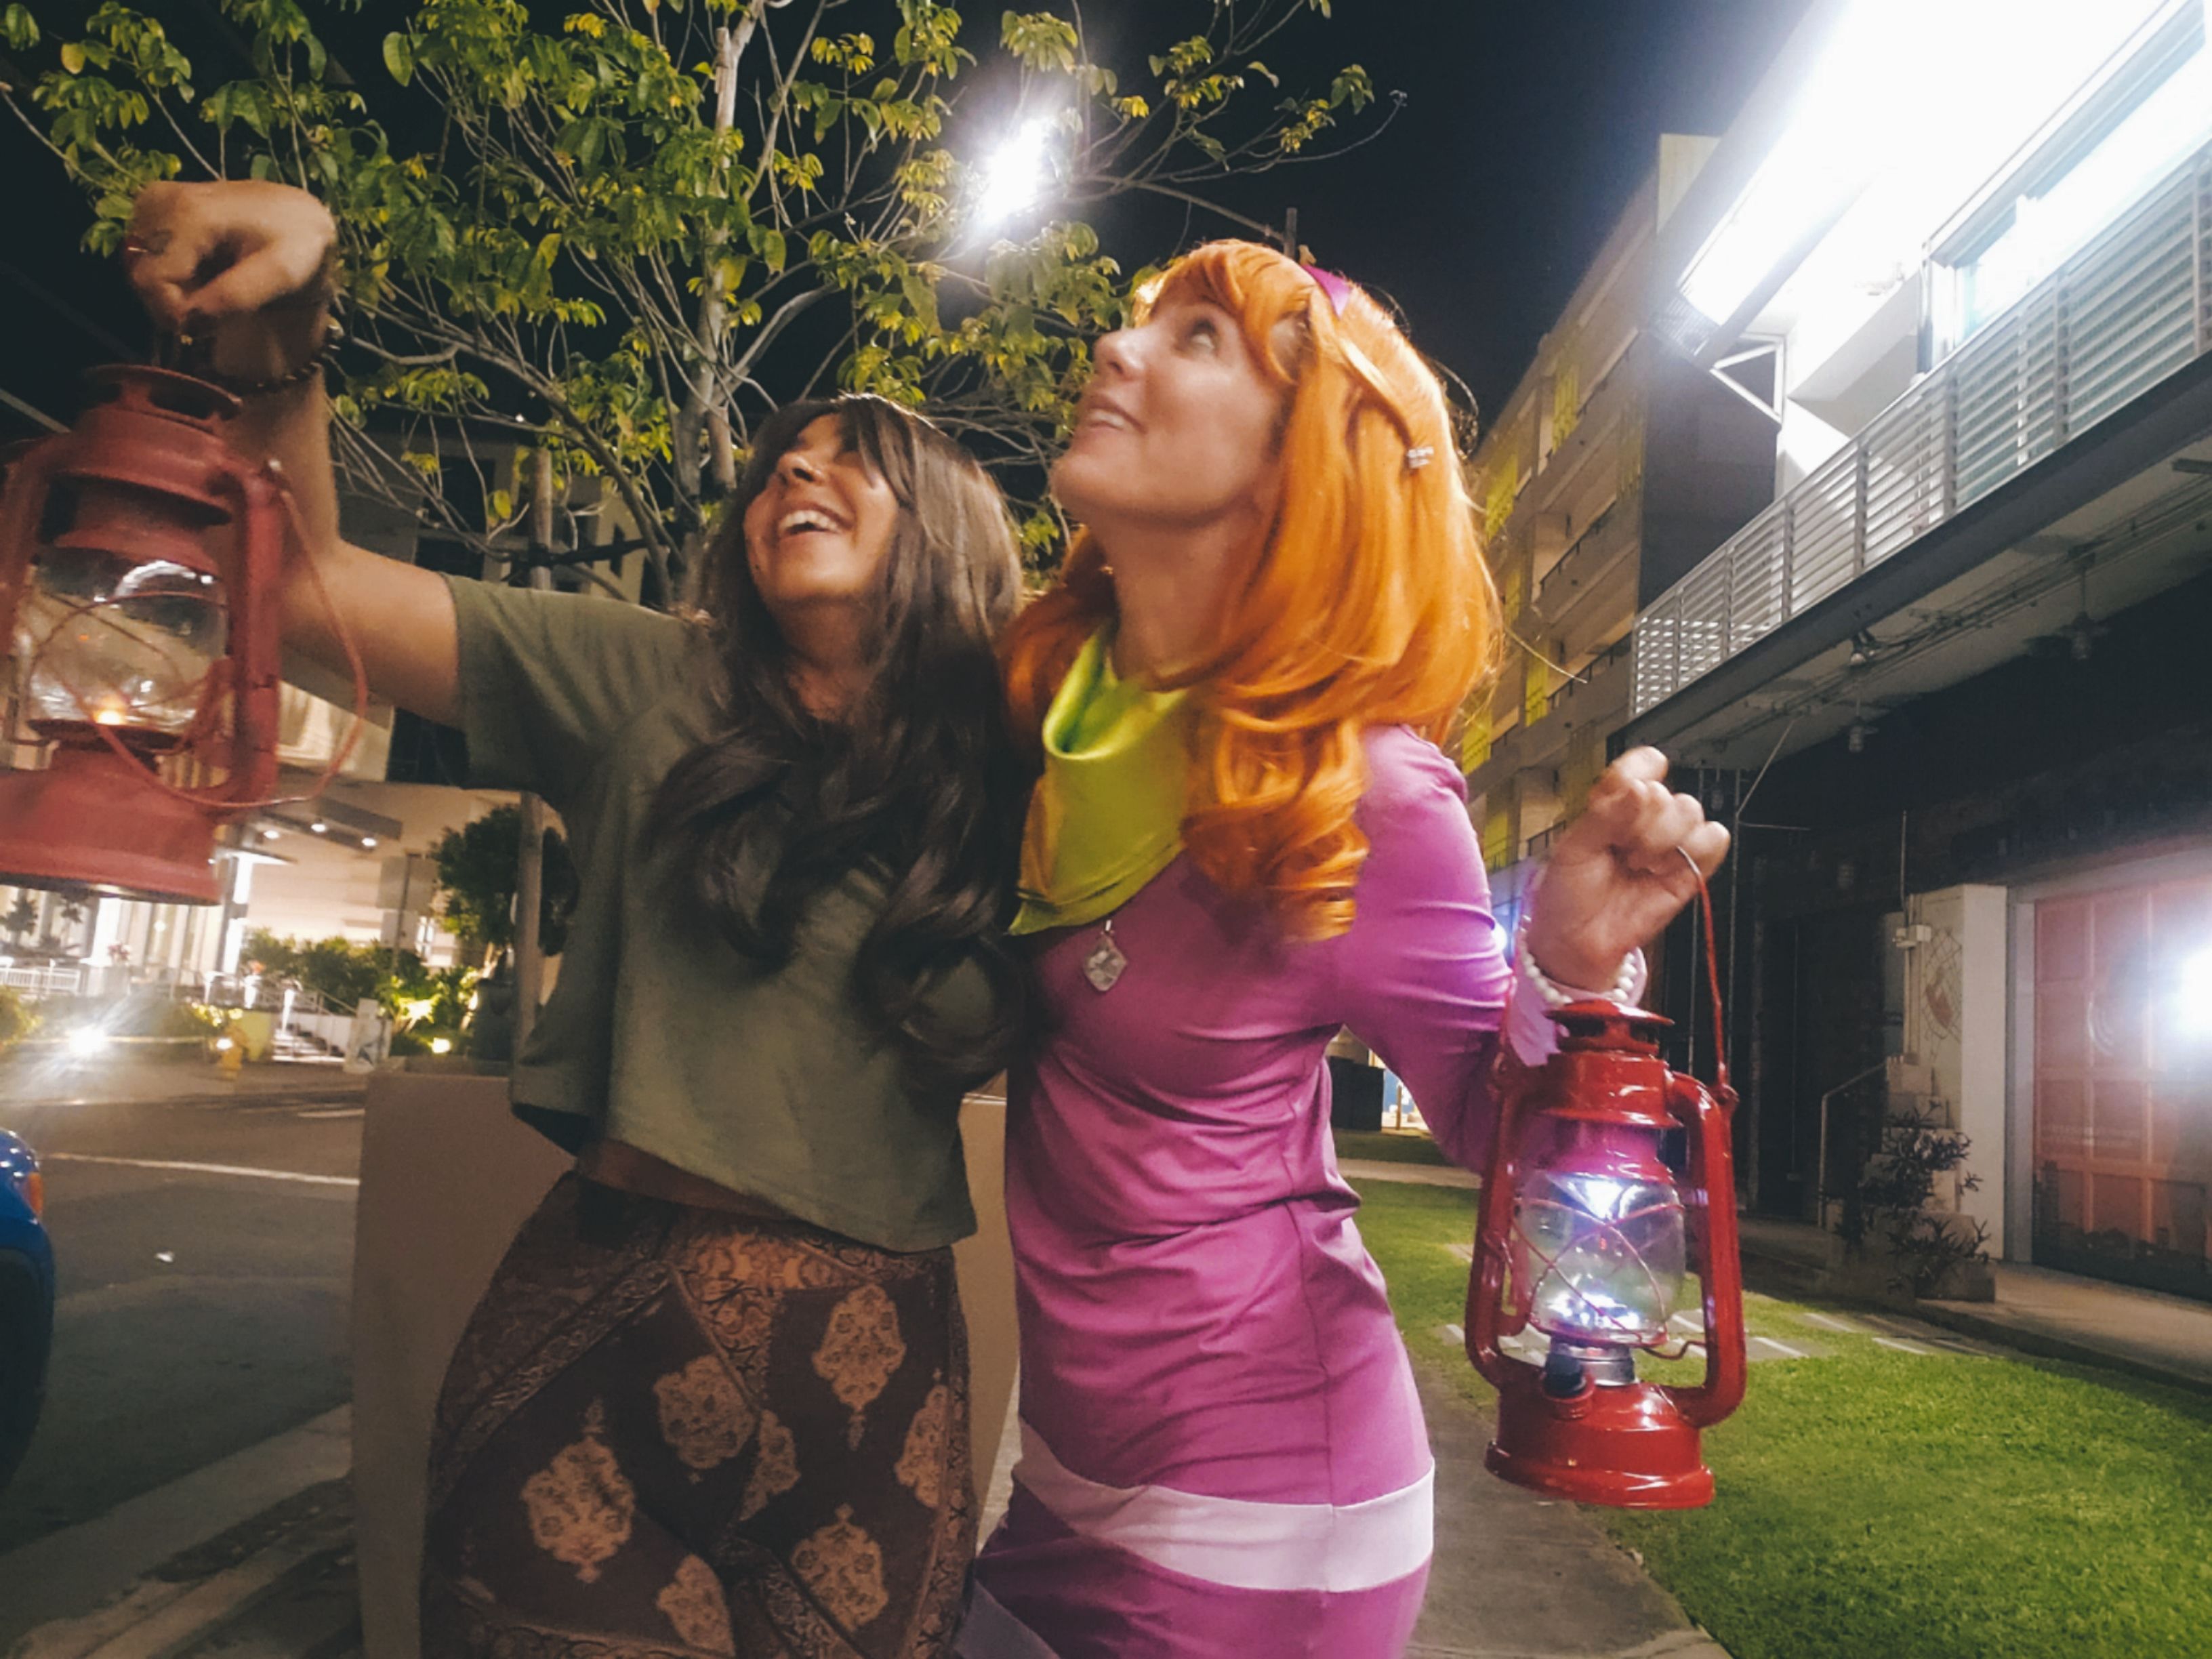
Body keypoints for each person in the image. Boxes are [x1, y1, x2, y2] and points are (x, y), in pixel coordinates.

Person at [121, 180, 1027, 1658]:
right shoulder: (651, 681)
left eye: (850, 461)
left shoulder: (1029, 753)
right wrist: (283, 340)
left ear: (946, 522)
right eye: (778, 463)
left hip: (877, 1387)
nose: (793, 477)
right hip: (594, 1350)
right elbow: (306, 598)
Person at [962, 243, 1729, 1658]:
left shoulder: (1369, 795)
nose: (1116, 354)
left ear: (1297, 465)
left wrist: (1568, 974)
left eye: (1194, 339)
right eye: (1135, 324)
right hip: (1069, 1483)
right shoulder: (1067, 725)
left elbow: (1510, 1152)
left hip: (1262, 1517)